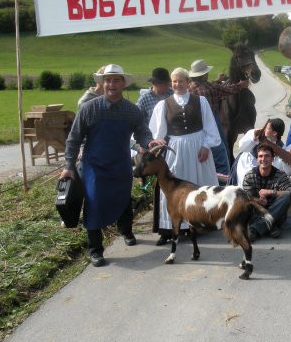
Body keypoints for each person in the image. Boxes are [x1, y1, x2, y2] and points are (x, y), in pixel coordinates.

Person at [61, 64, 161, 267]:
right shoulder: (90, 109)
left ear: (123, 84)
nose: (111, 84)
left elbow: (141, 131)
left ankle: (126, 231)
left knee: (123, 198)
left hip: (120, 164)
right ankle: (95, 249)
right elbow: (73, 138)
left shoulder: (131, 111)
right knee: (94, 203)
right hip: (94, 167)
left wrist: (149, 142)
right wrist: (68, 165)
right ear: (102, 83)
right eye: (108, 80)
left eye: (116, 80)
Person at [149, 67, 220, 240]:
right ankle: (171, 227)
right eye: (174, 81)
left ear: (188, 83)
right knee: (174, 189)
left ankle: (202, 222)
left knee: (200, 186)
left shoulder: (200, 101)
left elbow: (211, 128)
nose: (178, 84)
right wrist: (159, 147)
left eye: (181, 81)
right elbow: (158, 134)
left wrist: (206, 146)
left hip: (198, 148)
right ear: (171, 83)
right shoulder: (163, 105)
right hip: (176, 150)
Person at [188, 59, 249, 176]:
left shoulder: (189, 88)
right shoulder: (211, 88)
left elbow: (207, 85)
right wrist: (241, 85)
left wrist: (217, 80)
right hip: (211, 122)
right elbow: (229, 89)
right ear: (204, 75)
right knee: (221, 148)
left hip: (195, 126)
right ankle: (224, 176)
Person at [135, 67, 173, 245]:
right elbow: (138, 122)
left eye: (166, 84)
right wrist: (144, 144)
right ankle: (162, 223)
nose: (164, 87)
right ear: (154, 84)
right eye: (161, 84)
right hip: (152, 145)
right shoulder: (144, 99)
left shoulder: (172, 95)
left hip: (171, 143)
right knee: (155, 180)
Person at [243, 143, 291, 242]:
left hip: (275, 211)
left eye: (267, 156)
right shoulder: (249, 176)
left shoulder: (280, 175)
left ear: (273, 159)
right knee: (244, 203)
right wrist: (258, 201)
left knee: (286, 197)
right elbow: (248, 198)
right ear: (257, 159)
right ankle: (271, 226)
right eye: (260, 156)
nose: (263, 159)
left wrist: (270, 192)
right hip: (256, 212)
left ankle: (255, 229)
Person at [230, 118, 287, 186]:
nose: (264, 129)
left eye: (267, 128)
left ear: (274, 133)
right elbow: (242, 147)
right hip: (246, 164)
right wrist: (253, 139)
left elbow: (278, 167)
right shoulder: (254, 133)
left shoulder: (281, 148)